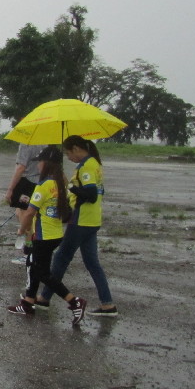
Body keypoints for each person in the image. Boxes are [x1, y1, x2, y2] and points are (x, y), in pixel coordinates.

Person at [37, 135, 118, 317]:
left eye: (68, 153)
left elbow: (91, 195)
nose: (68, 157)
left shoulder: (86, 166)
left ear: (76, 148)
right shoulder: (94, 164)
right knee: (92, 263)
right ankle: (108, 304)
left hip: (81, 220)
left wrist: (70, 188)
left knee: (61, 258)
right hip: (92, 220)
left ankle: (44, 298)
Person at [6, 146, 87, 326]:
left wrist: (21, 230)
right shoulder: (60, 183)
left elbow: (29, 212)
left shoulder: (43, 186)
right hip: (55, 234)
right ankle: (28, 302)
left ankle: (74, 301)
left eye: (41, 161)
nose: (38, 165)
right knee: (34, 266)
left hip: (43, 236)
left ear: (48, 164)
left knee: (42, 273)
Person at [4, 143, 47, 264]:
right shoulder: (46, 142)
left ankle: (29, 252)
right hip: (41, 182)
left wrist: (10, 189)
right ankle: (34, 249)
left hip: (27, 182)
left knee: (26, 219)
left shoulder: (26, 144)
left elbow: (21, 167)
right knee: (23, 214)